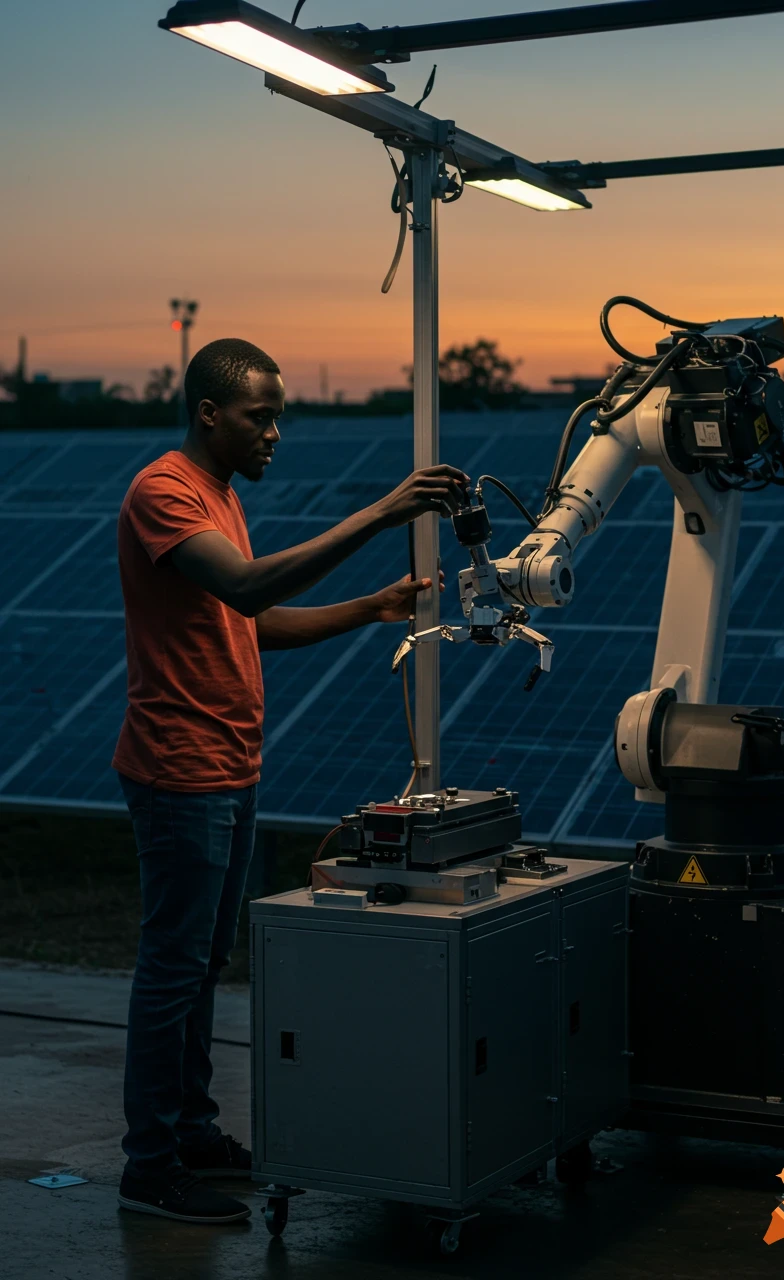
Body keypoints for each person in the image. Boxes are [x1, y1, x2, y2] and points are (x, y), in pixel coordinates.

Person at [113, 337, 468, 1224]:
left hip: (230, 767)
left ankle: (192, 1131)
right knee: (172, 971)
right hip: (180, 770)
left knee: (199, 970)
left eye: (279, 417)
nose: (275, 433)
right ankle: (149, 1166)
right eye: (258, 417)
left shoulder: (220, 498)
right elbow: (244, 589)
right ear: (208, 414)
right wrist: (383, 512)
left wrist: (369, 609)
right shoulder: (165, 492)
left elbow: (250, 625)